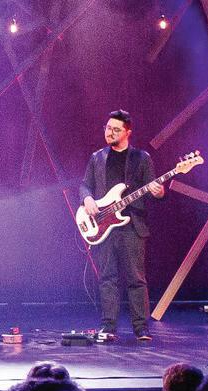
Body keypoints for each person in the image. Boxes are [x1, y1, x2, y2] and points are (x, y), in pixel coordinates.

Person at [79, 109, 164, 341]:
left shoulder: (141, 158)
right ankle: (108, 326)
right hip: (103, 226)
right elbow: (85, 185)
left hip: (131, 225)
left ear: (128, 132)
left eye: (116, 129)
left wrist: (158, 191)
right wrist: (87, 199)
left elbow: (154, 190)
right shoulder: (97, 157)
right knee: (107, 278)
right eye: (108, 128)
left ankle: (141, 328)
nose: (110, 133)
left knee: (136, 279)